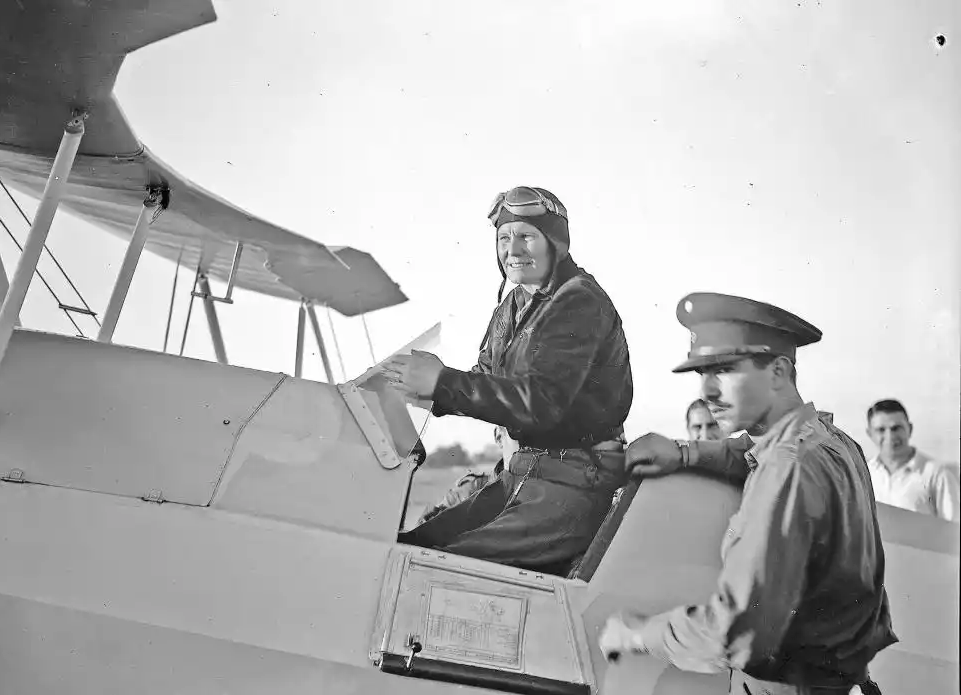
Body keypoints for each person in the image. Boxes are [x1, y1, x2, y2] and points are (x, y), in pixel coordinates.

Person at [599, 292, 894, 695]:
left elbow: (735, 630)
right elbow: (751, 452)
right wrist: (686, 452)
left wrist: (638, 633)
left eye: (724, 369)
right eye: (702, 372)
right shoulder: (832, 441)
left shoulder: (788, 470)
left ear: (777, 371)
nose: (707, 390)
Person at [384, 185, 633, 575]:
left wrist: (443, 383)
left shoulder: (579, 300)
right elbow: (487, 377)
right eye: (504, 237)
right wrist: (419, 389)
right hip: (523, 471)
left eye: (526, 236)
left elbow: (542, 401)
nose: (512, 250)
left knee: (435, 567)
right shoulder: (511, 306)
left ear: (556, 243)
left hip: (573, 482)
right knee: (411, 546)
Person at [865, 399, 959, 522]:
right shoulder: (863, 474)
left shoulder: (937, 475)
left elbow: (954, 532)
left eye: (896, 428)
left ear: (910, 429)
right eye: (881, 430)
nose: (890, 436)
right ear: (870, 434)